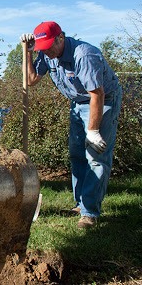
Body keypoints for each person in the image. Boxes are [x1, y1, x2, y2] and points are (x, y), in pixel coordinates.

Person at [20, 21, 122, 229]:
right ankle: (80, 204)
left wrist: (93, 131)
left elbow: (97, 94)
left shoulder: (84, 55)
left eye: (49, 46)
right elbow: (31, 79)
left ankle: (89, 212)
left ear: (61, 38)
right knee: (77, 154)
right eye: (42, 48)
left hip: (102, 101)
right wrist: (28, 52)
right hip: (78, 103)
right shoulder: (46, 53)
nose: (46, 52)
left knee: (96, 156)